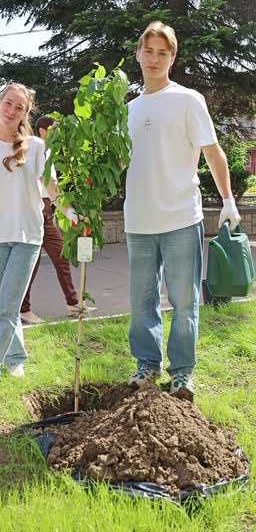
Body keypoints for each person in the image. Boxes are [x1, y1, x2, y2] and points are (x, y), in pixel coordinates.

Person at [123, 21, 240, 396]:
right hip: (139, 222)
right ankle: (146, 364)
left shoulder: (188, 100)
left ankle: (182, 372)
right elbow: (118, 163)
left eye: (163, 53)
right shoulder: (129, 110)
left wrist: (228, 199)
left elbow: (213, 153)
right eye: (149, 51)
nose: (154, 59)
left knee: (185, 301)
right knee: (141, 303)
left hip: (180, 219)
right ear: (138, 54)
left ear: (172, 58)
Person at [0, 82, 77, 399]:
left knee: (5, 307)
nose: (11, 110)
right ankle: (16, 357)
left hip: (27, 235)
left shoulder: (36, 147)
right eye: (8, 103)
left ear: (25, 113)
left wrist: (72, 214)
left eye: (19, 107)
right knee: (7, 305)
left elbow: (52, 187)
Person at [20, 115, 91, 324]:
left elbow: (53, 186)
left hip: (47, 210)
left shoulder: (47, 150)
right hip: (33, 209)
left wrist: (68, 210)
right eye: (55, 129)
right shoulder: (36, 147)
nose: (59, 133)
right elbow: (47, 183)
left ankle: (73, 302)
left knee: (61, 256)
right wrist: (69, 211)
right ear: (43, 131)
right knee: (31, 263)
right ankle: (23, 309)